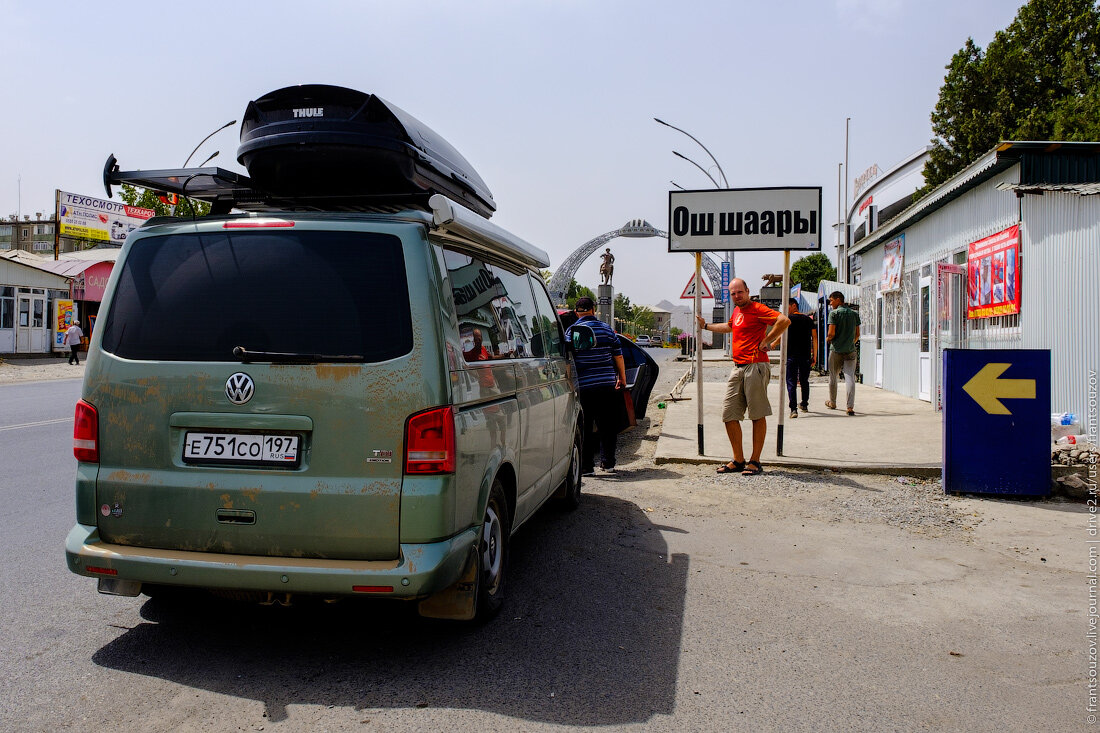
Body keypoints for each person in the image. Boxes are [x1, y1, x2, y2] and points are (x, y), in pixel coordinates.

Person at [695, 278, 790, 476]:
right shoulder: (737, 311)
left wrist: (767, 340)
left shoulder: (757, 308)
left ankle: (755, 461)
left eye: (740, 292)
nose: (737, 296)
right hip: (738, 367)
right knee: (729, 414)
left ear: (747, 291)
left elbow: (784, 321)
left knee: (757, 414)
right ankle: (738, 460)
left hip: (756, 365)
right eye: (733, 293)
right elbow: (730, 327)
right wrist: (706, 327)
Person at [565, 296, 627, 474]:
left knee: (585, 426)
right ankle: (608, 464)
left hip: (584, 387)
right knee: (607, 425)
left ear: (577, 312)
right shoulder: (607, 329)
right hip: (607, 385)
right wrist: (621, 378)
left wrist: (570, 383)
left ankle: (586, 467)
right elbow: (618, 355)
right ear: (593, 310)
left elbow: (568, 360)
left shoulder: (571, 331)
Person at [825, 291, 861, 416]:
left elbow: (831, 333)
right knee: (850, 377)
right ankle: (850, 407)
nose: (830, 303)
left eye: (831, 300)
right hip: (850, 350)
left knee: (833, 376)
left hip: (836, 350)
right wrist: (851, 343)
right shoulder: (854, 314)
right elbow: (857, 334)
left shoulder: (834, 314)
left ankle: (833, 402)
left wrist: (828, 339)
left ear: (838, 299)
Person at [784, 298, 817, 418]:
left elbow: (782, 336)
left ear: (793, 306)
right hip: (805, 356)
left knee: (791, 381)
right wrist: (815, 356)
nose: (785, 309)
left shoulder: (787, 320)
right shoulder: (808, 320)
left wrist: (772, 344)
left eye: (787, 306)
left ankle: (793, 409)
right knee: (804, 380)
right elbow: (815, 338)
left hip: (791, 355)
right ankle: (804, 404)